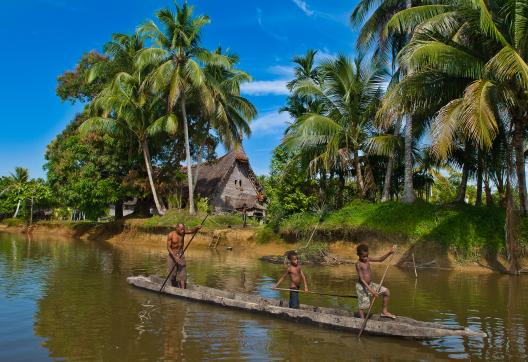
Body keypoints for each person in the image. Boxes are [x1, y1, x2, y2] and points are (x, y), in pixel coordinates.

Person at [355, 244, 396, 319]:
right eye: (363, 256)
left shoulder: (368, 259)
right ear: (358, 255)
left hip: (370, 284)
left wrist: (390, 252)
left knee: (386, 292)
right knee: (363, 306)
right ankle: (361, 320)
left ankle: (384, 312)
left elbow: (380, 259)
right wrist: (372, 291)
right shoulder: (358, 264)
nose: (365, 258)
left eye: (367, 256)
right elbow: (362, 279)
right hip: (362, 286)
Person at [167, 223, 201, 289]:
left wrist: (196, 228)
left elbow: (191, 231)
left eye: (183, 229)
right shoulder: (171, 235)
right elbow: (168, 247)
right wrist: (175, 257)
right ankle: (173, 288)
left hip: (181, 255)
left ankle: (183, 290)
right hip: (172, 256)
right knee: (172, 275)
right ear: (177, 228)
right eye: (181, 229)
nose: (183, 231)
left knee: (183, 274)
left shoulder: (183, 232)